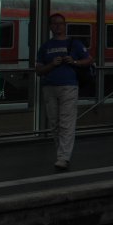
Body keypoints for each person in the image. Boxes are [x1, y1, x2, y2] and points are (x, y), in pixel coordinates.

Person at [35, 13, 92, 172]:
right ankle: (62, 154)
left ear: (65, 25)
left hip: (69, 86)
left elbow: (89, 59)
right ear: (51, 27)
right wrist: (52, 64)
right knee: (55, 123)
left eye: (60, 23)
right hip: (49, 87)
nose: (58, 26)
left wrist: (74, 62)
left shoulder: (75, 44)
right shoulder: (45, 47)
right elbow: (39, 70)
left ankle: (63, 157)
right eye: (55, 23)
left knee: (66, 122)